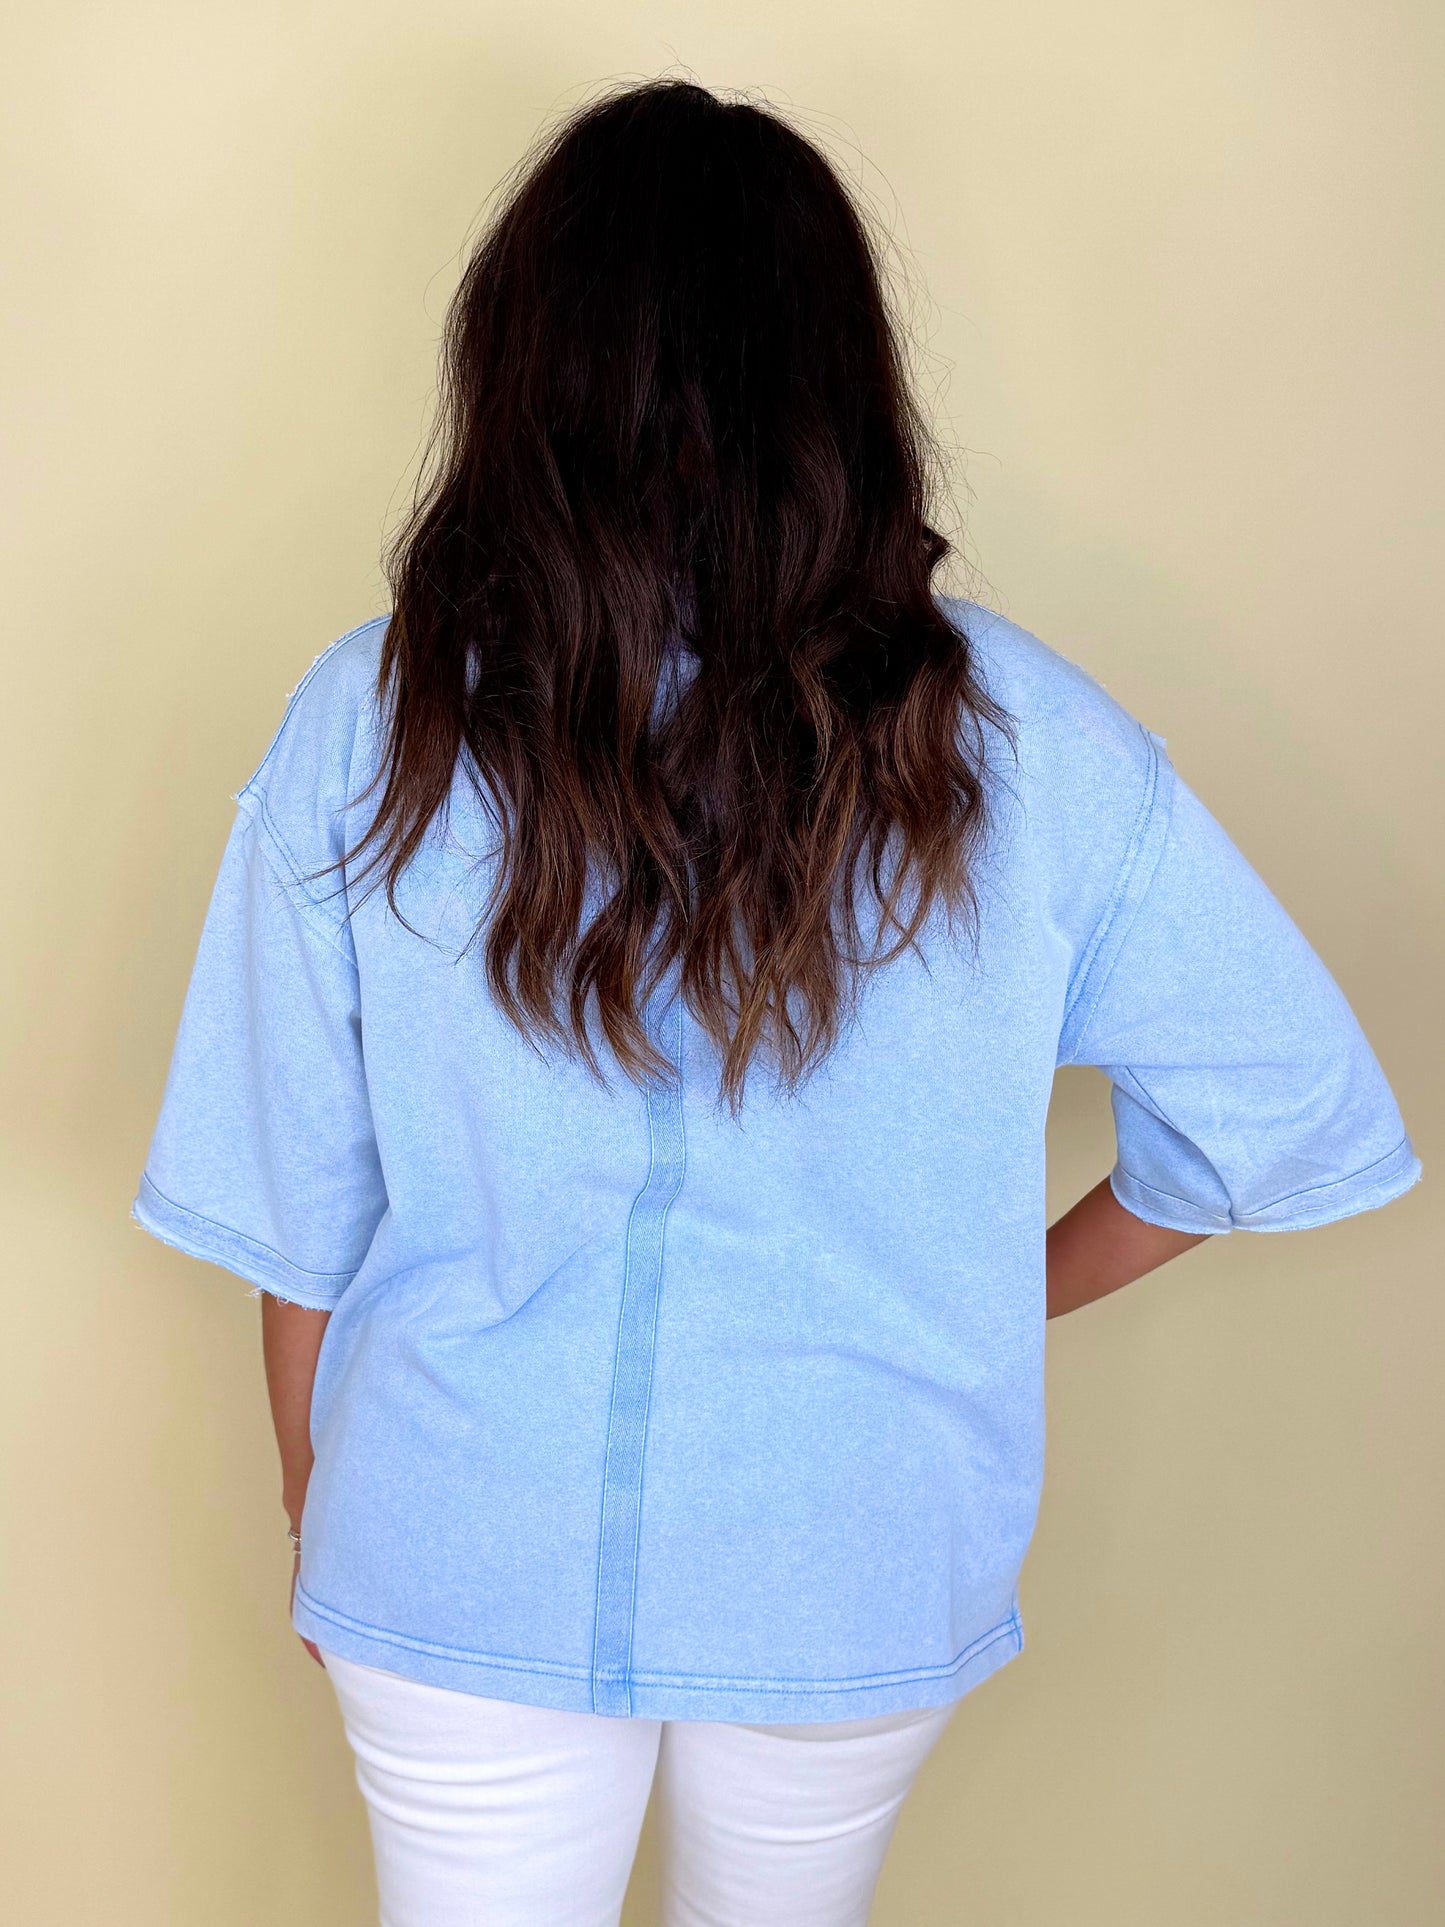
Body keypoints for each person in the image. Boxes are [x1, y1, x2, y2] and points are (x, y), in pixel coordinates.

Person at [132, 78, 1421, 1927]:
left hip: (452, 1533)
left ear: (524, 367)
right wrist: (980, 1292)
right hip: (856, 1542)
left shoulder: (375, 718)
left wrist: (310, 1504)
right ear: (839, 384)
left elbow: (293, 1204)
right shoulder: (1024, 739)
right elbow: (1274, 1111)